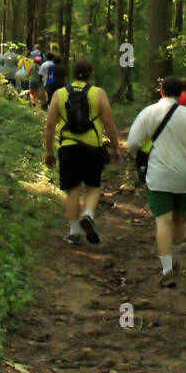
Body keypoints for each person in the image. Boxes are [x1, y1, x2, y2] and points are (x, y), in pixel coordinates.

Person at [127, 75, 186, 289]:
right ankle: (175, 258)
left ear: (161, 91)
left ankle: (166, 268)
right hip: (185, 177)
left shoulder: (148, 113)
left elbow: (132, 142)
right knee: (179, 219)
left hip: (159, 176)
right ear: (180, 94)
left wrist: (144, 149)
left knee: (163, 221)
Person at [44, 57, 121, 246]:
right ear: (90, 75)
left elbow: (50, 125)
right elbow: (109, 123)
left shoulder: (60, 94)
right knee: (93, 187)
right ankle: (88, 214)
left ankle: (74, 232)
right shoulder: (99, 93)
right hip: (93, 147)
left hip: (68, 147)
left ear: (73, 74)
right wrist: (116, 147)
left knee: (73, 189)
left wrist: (49, 151)